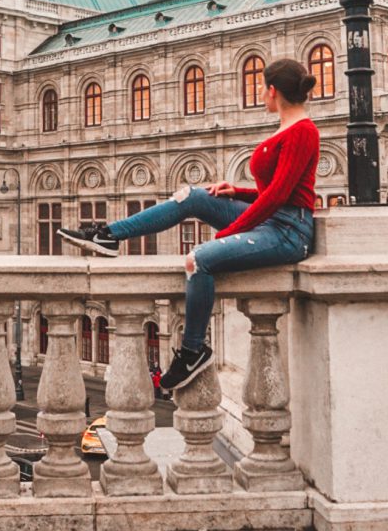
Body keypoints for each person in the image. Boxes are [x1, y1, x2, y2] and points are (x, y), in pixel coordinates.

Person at [59, 58, 318, 393]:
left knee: (199, 260)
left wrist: (230, 231)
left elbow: (280, 196)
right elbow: (275, 190)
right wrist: (236, 191)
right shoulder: (286, 128)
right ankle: (110, 235)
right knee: (191, 196)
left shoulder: (303, 132)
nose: (258, 91)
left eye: (261, 85)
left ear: (273, 90)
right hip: (271, 219)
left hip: (287, 232)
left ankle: (193, 351)